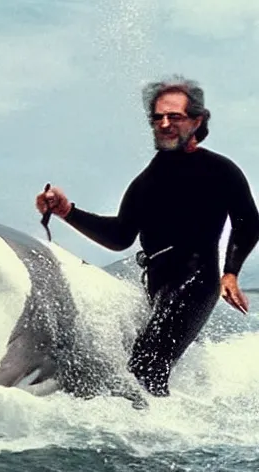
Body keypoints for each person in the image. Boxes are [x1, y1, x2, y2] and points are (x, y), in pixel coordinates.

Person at [35, 75, 259, 397]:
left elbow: (248, 222)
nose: (165, 124)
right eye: (158, 118)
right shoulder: (147, 182)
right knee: (144, 367)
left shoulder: (219, 171)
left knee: (145, 367)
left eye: (175, 117)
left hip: (196, 280)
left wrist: (231, 273)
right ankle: (169, 421)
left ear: (196, 121)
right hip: (158, 282)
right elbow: (120, 236)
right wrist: (68, 211)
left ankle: (153, 439)